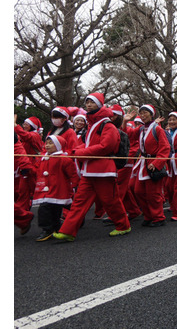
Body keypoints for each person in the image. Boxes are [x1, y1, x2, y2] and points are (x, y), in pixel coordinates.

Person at [53, 92, 132, 241]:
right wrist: (75, 151)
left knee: (111, 201)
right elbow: (89, 144)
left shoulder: (106, 124)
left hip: (103, 171)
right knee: (79, 202)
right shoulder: (93, 124)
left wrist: (80, 152)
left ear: (100, 104)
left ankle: (123, 225)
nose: (88, 104)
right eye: (87, 102)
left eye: (92, 102)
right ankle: (68, 231)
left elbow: (106, 147)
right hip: (89, 171)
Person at [124, 104, 171, 227]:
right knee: (138, 190)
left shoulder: (157, 129)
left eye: (145, 113)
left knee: (153, 193)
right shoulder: (140, 129)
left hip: (153, 163)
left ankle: (158, 217)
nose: (143, 115)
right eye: (141, 113)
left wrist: (157, 163)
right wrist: (125, 121)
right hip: (143, 162)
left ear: (151, 114)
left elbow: (165, 148)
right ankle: (148, 215)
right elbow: (128, 135)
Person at [32, 135, 80, 241]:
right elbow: (36, 170)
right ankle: (53, 228)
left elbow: (72, 174)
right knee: (50, 208)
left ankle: (48, 229)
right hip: (46, 189)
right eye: (46, 143)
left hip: (59, 189)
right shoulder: (43, 159)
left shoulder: (63, 159)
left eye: (50, 143)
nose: (47, 145)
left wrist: (75, 185)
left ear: (58, 145)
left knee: (50, 208)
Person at [14, 115, 44, 212]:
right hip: (23, 165)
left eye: (26, 124)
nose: (24, 126)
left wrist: (14, 125)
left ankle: (23, 211)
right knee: (22, 189)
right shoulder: (23, 135)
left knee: (27, 189)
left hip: (30, 166)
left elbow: (25, 136)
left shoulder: (35, 135)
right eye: (24, 124)